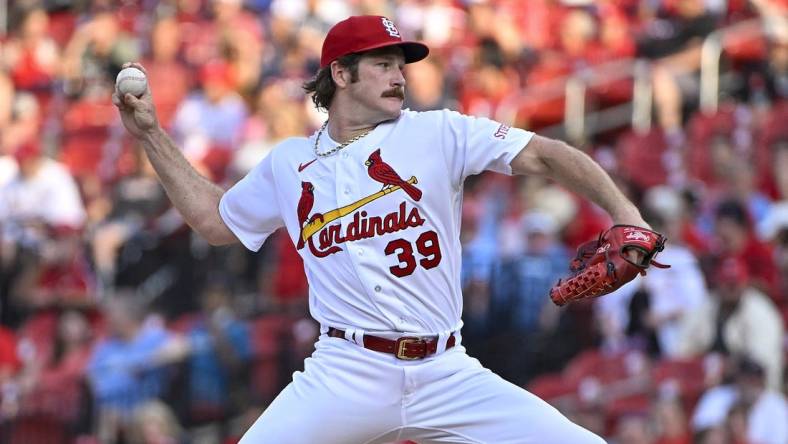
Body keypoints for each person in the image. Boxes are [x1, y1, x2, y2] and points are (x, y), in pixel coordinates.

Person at [114, 15, 656, 443]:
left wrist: (625, 213)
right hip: (347, 371)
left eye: (402, 64)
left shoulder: (437, 131)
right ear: (341, 75)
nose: (400, 76)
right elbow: (215, 222)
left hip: (446, 370)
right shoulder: (289, 163)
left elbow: (545, 154)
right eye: (382, 64)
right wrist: (152, 136)